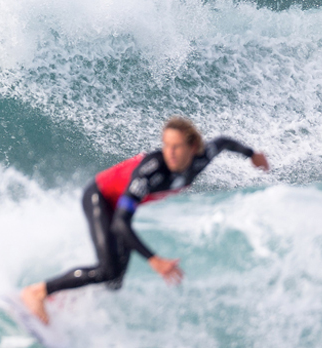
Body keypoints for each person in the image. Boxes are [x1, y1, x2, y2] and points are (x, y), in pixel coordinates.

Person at [20, 117, 269, 324]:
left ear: (193, 147)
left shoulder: (202, 158)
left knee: (115, 281)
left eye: (177, 147)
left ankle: (64, 298)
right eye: (166, 145)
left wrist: (252, 155)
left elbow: (224, 142)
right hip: (100, 197)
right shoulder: (151, 171)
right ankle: (38, 292)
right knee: (108, 270)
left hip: (118, 207)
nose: (169, 153)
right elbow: (120, 222)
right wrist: (154, 260)